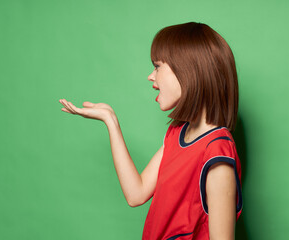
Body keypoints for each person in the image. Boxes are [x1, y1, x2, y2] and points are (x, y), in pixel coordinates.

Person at [59, 22, 243, 240]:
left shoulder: (217, 152)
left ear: (188, 70)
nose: (151, 76)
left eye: (157, 66)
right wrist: (111, 121)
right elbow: (135, 194)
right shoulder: (177, 134)